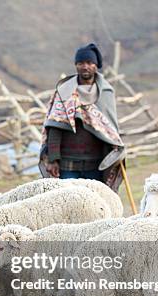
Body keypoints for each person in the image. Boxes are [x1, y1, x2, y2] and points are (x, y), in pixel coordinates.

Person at [39, 43, 125, 190]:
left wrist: (116, 151)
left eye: (89, 63)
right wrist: (53, 160)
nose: (85, 67)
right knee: (68, 204)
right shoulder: (64, 92)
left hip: (97, 164)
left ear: (96, 65)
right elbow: (55, 127)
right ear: (76, 65)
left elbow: (110, 130)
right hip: (67, 164)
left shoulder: (105, 93)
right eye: (81, 63)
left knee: (96, 206)